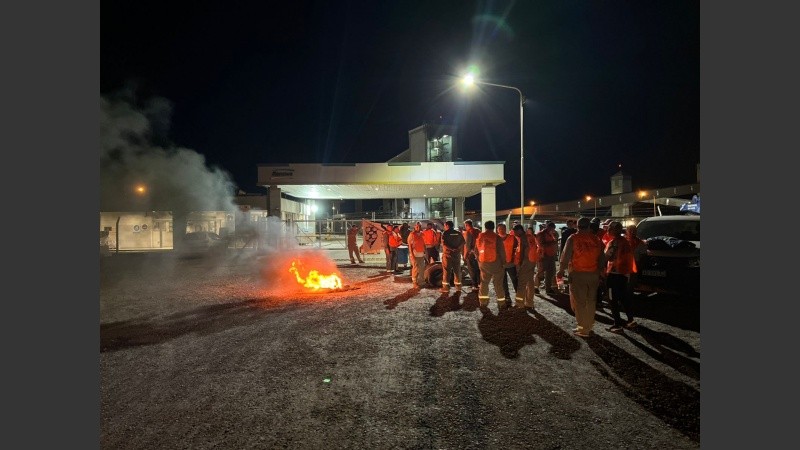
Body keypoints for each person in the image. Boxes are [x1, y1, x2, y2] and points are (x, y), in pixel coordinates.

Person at [557, 217, 605, 337]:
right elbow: (602, 258)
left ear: (577, 226)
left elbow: (566, 255)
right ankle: (588, 326)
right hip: (593, 274)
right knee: (591, 301)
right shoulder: (596, 239)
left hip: (578, 274)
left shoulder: (573, 238)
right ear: (589, 227)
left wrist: (561, 270)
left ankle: (583, 329)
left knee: (579, 302)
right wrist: (600, 272)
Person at [604, 221, 637, 332]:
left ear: (613, 230)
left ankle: (617, 324)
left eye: (609, 228)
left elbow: (608, 257)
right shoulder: (625, 242)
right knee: (623, 298)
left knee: (612, 299)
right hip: (624, 274)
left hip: (614, 274)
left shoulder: (614, 243)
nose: (608, 230)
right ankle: (631, 320)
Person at [475, 220, 508, 309]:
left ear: (485, 227)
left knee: (484, 283)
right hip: (496, 263)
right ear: (494, 227)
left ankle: (483, 302)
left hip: (483, 263)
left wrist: (479, 260)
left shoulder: (480, 236)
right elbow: (502, 252)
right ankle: (501, 303)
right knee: (498, 284)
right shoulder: (497, 237)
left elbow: (476, 250)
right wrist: (504, 262)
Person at [513, 223, 538, 309]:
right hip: (532, 261)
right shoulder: (531, 237)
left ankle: (519, 304)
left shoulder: (523, 238)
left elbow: (522, 253)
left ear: (519, 230)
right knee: (530, 282)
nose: (515, 234)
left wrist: (519, 265)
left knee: (521, 283)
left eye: (515, 232)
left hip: (525, 262)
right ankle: (529, 303)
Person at [496, 223, 520, 304]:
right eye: (500, 229)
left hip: (511, 263)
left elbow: (517, 249)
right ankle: (507, 296)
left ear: (505, 229)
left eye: (503, 228)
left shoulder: (512, 238)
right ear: (497, 230)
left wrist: (515, 260)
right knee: (503, 282)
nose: (501, 230)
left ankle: (519, 295)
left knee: (515, 279)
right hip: (500, 265)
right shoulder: (495, 238)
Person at [440, 220, 465, 293]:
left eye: (445, 225)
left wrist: (452, 249)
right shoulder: (458, 233)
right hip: (457, 255)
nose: (444, 227)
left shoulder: (445, 233)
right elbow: (463, 242)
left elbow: (444, 244)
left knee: (447, 271)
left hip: (448, 255)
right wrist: (457, 248)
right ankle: (458, 287)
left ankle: (446, 287)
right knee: (457, 271)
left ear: (447, 225)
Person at [534, 221, 559, 295]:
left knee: (550, 273)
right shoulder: (540, 234)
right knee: (540, 272)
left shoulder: (552, 234)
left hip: (551, 256)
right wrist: (553, 243)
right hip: (543, 255)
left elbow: (555, 242)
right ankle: (535, 288)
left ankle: (548, 288)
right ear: (548, 227)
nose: (553, 230)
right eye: (552, 228)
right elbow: (541, 244)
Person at [625, 223, 647, 300]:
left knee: (630, 286)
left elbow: (643, 256)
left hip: (634, 268)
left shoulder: (640, 243)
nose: (632, 232)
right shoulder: (623, 241)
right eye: (630, 230)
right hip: (623, 267)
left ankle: (628, 301)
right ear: (627, 231)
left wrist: (639, 267)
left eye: (634, 231)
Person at [406, 222, 428, 288]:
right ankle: (414, 282)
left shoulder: (422, 234)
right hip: (414, 254)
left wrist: (425, 252)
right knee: (415, 268)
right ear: (415, 227)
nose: (418, 228)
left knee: (422, 268)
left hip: (421, 254)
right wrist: (412, 255)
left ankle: (421, 281)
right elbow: (409, 245)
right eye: (417, 226)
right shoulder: (412, 234)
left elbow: (424, 244)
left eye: (419, 226)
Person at [462, 219, 481, 290]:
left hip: (471, 254)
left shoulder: (468, 232)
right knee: (478, 269)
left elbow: (467, 245)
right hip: (478, 253)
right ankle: (479, 283)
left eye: (465, 225)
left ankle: (474, 284)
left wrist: (465, 255)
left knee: (471, 269)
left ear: (467, 225)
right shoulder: (478, 230)